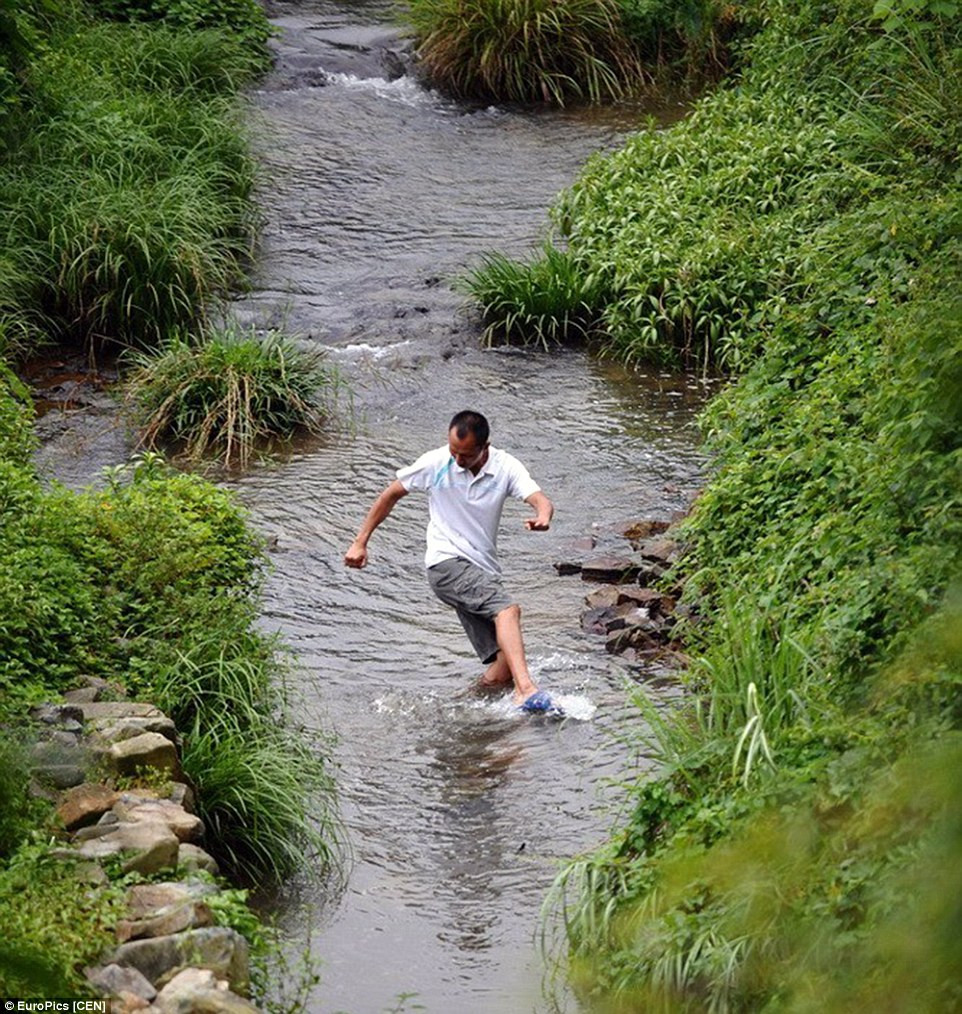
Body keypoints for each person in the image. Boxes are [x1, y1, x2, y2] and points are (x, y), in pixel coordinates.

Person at [344, 410, 556, 711]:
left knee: (504, 664)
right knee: (507, 611)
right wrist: (360, 542)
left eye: (465, 455)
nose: (457, 460)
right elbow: (390, 494)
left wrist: (543, 517)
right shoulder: (436, 462)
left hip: (482, 570)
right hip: (446, 565)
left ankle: (461, 711)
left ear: (485, 447)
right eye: (453, 451)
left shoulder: (505, 466)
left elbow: (540, 500)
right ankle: (527, 690)